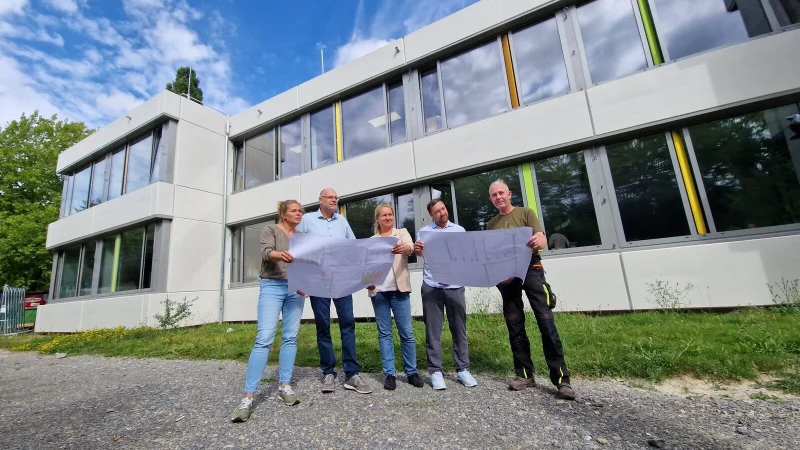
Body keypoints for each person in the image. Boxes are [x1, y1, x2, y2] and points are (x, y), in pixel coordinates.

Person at [486, 180, 576, 400]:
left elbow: (542, 238)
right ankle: (525, 375)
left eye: (501, 193)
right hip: (507, 277)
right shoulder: (491, 225)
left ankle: (561, 380)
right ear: (491, 200)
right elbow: (492, 253)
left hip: (531, 269)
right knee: (514, 323)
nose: (498, 197)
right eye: (494, 195)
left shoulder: (526, 213)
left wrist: (539, 240)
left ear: (509, 194)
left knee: (546, 321)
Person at [232, 200, 307, 423]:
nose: (299, 213)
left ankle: (285, 385)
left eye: (300, 211)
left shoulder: (302, 237)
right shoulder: (271, 230)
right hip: (272, 286)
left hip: (295, 288)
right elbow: (267, 253)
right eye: (294, 210)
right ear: (283, 214)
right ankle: (248, 397)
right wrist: (279, 254)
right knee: (264, 338)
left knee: (291, 337)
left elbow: (303, 265)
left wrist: (306, 284)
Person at [298, 188, 373, 394]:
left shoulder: (342, 221)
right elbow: (297, 248)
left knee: (347, 323)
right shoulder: (307, 220)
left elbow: (353, 247)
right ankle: (328, 373)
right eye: (330, 197)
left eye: (336, 197)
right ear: (319, 200)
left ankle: (351, 374)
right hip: (318, 280)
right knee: (323, 326)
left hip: (341, 280)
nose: (334, 199)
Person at [413, 199, 478, 390]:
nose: (442, 212)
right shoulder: (424, 232)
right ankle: (435, 371)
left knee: (459, 328)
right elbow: (420, 255)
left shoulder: (459, 230)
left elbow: (466, 256)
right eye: (437, 211)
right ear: (431, 215)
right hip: (432, 285)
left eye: (443, 208)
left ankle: (463, 369)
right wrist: (418, 251)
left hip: (455, 285)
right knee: (433, 331)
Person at [366, 203, 424, 390]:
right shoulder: (372, 240)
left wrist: (404, 249)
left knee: (406, 333)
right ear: (377, 219)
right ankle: (389, 373)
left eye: (390, 214)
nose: (388, 218)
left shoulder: (401, 233)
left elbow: (410, 248)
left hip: (399, 290)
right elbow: (366, 266)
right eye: (383, 215)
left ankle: (411, 372)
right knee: (384, 334)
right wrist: (366, 281)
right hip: (379, 291)